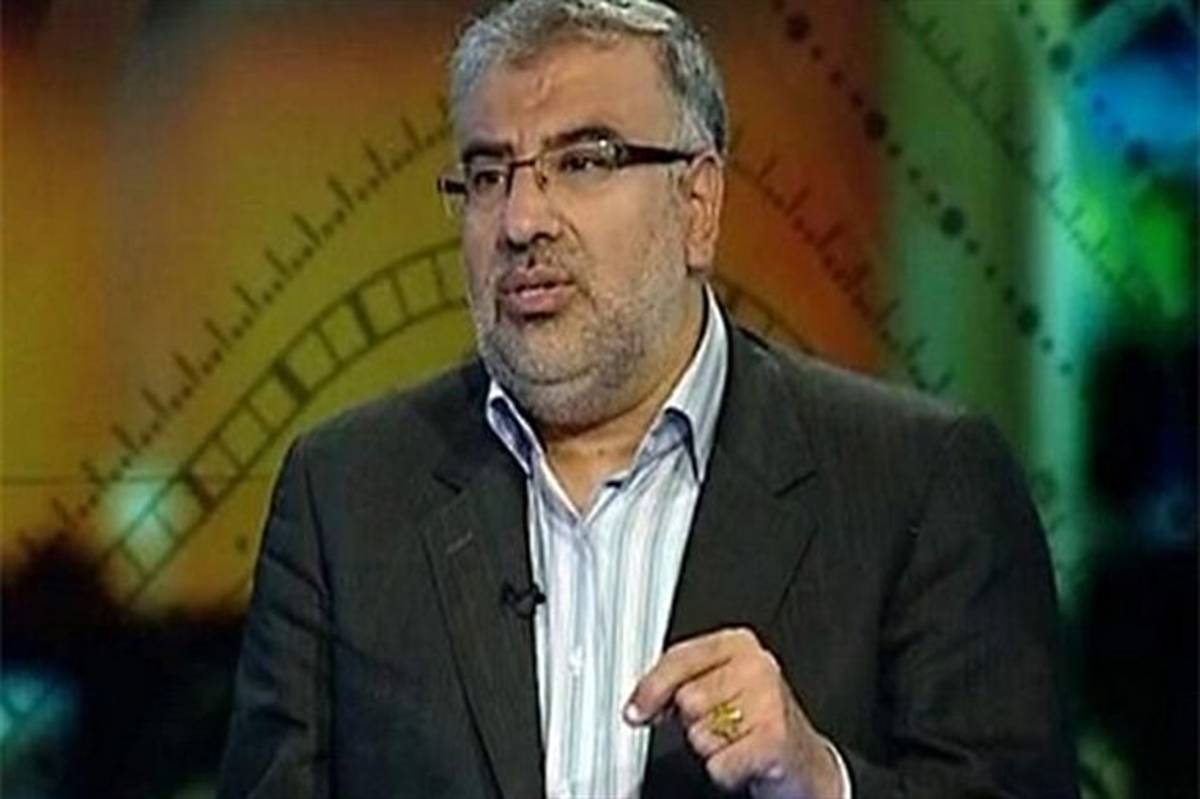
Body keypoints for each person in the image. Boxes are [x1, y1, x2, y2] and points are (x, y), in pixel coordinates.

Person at [217, 1, 1078, 797]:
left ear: (697, 205)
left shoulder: (919, 482)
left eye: (583, 162)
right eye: (487, 174)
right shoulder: (344, 496)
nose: (520, 221)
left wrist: (823, 780)